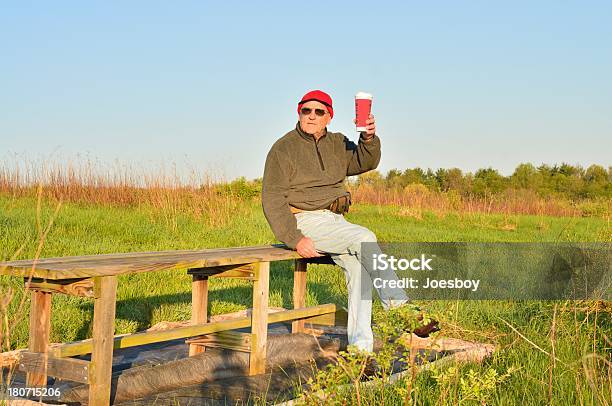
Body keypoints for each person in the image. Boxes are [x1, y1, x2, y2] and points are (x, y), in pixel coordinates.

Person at [262, 90, 439, 353]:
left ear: (328, 117)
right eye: (305, 111)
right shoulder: (283, 148)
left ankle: (360, 351)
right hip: (303, 221)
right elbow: (272, 197)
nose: (311, 116)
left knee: (359, 271)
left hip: (334, 221)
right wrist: (295, 238)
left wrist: (368, 137)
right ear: (298, 113)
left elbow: (364, 161)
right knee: (364, 237)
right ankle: (400, 308)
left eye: (318, 112)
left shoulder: (337, 143)